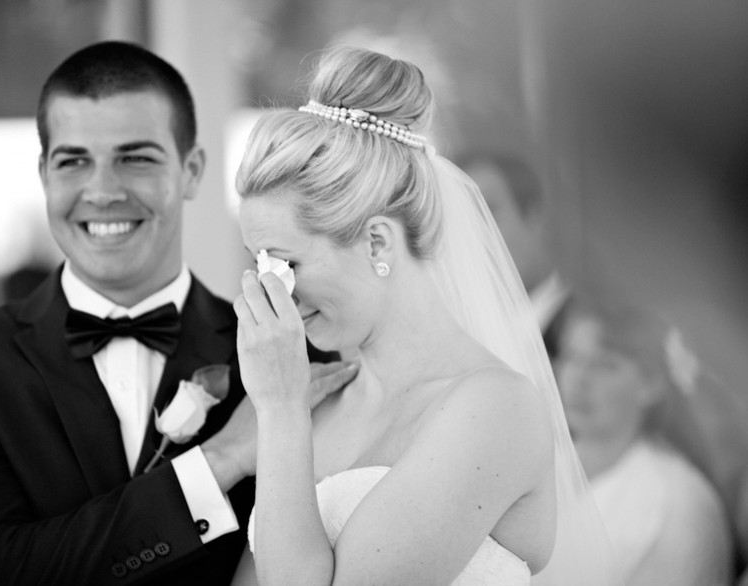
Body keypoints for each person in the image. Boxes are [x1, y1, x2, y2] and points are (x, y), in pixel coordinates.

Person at [0, 41, 354, 586]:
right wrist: (220, 459)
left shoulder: (295, 356)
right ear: (44, 175)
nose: (102, 191)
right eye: (74, 160)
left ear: (192, 170)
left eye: (136, 157)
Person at [228, 45, 617, 585]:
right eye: (258, 261)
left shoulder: (494, 408)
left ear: (378, 242)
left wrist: (278, 412)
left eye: (286, 261)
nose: (273, 290)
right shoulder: (318, 399)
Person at [554, 292, 734, 585]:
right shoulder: (543, 458)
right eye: (572, 357)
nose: (579, 378)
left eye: (605, 364)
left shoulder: (678, 502)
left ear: (651, 383)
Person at [457, 151, 570, 359]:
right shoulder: (458, 335)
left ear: (537, 219)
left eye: (486, 214)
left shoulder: (583, 332)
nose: (472, 234)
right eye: (461, 218)